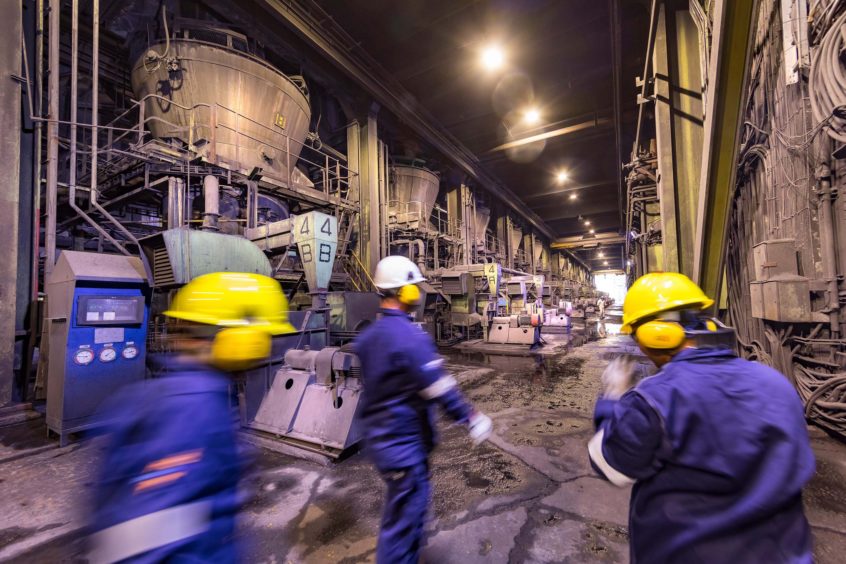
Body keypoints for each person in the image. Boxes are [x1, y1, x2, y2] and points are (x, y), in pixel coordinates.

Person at [589, 272, 815, 563]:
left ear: (655, 335)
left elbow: (610, 464)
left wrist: (613, 400)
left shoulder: (657, 398)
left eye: (637, 335)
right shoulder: (776, 384)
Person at [88, 272, 295, 563]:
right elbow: (143, 542)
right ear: (241, 338)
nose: (265, 349)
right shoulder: (192, 412)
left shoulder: (173, 395)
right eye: (264, 338)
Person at [354, 256, 493, 564]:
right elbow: (439, 387)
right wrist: (471, 418)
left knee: (402, 513)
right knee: (404, 523)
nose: (419, 292)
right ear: (404, 292)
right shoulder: (409, 338)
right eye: (414, 287)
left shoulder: (368, 337)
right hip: (404, 446)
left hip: (380, 441)